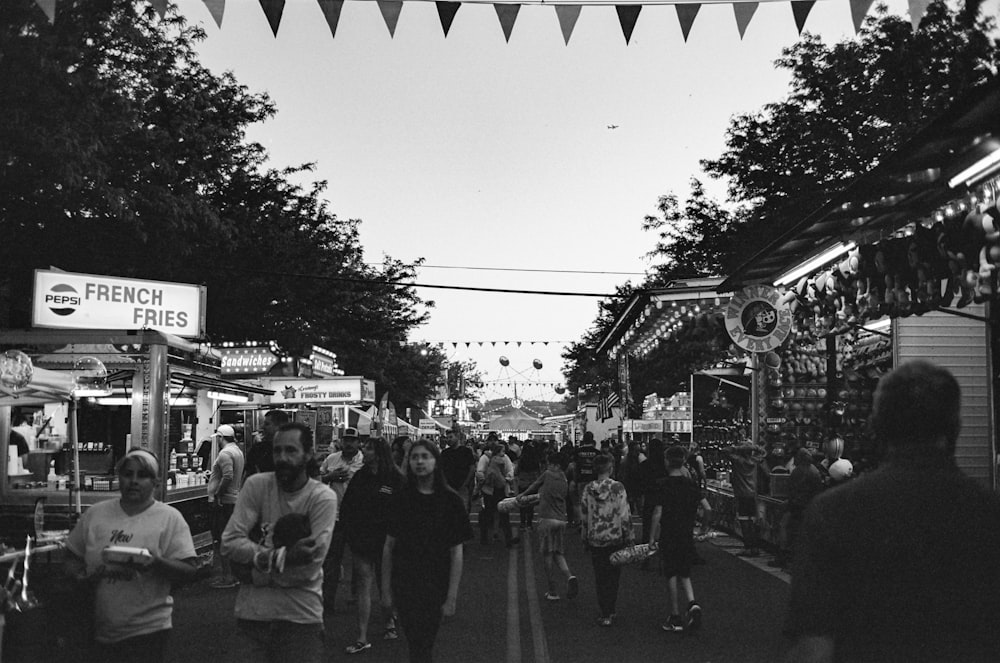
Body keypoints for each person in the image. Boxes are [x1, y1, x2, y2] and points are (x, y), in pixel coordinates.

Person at [785, 361, 1000, 663]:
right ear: (956, 427)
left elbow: (813, 647)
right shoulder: (988, 512)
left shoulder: (833, 512)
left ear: (876, 426)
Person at [65, 448, 197, 663]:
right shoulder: (96, 514)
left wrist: (156, 562)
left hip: (148, 630)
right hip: (97, 627)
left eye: (142, 475)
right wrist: (81, 577)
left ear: (155, 482)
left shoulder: (169, 518)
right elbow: (72, 556)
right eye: (128, 474)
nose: (134, 481)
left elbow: (190, 569)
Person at [221, 422, 338, 663]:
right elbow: (229, 543)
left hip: (300, 618)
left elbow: (309, 567)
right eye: (277, 451)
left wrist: (251, 573)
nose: (282, 458)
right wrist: (282, 558)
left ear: (308, 454)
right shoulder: (256, 486)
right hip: (252, 617)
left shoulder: (322, 497)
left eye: (291, 450)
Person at [382, 439, 473, 663]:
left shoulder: (450, 500)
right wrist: (385, 591)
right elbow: (388, 546)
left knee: (424, 643)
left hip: (436, 583)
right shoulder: (401, 498)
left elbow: (456, 552)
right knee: (415, 642)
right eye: (414, 457)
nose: (420, 462)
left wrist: (451, 596)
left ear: (436, 461)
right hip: (405, 583)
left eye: (425, 456)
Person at [340, 436, 404, 655]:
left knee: (386, 588)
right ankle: (362, 635)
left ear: (378, 453)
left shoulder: (395, 478)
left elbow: (403, 509)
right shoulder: (360, 476)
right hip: (362, 539)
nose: (363, 451)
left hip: (387, 541)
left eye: (368, 449)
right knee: (364, 586)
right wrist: (351, 533)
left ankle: (389, 620)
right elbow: (348, 506)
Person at [648, 445, 703, 634]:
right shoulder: (690, 484)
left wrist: (652, 537)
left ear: (666, 462)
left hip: (669, 533)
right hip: (686, 533)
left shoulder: (662, 484)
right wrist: (703, 529)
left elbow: (657, 512)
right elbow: (708, 507)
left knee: (671, 572)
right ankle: (692, 603)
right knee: (685, 572)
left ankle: (675, 616)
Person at [580, 453, 634, 627]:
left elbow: (584, 514)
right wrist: (629, 535)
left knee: (600, 575)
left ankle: (604, 611)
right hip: (614, 536)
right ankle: (611, 608)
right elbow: (624, 513)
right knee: (613, 575)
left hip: (595, 537)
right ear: (610, 468)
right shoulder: (618, 488)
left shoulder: (588, 488)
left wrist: (584, 535)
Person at [518, 450, 577, 601]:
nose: (548, 466)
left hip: (547, 519)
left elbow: (535, 485)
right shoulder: (564, 478)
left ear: (556, 465)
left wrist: (522, 495)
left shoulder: (548, 474)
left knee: (547, 555)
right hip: (560, 519)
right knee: (558, 552)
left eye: (550, 464)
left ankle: (552, 589)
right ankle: (569, 576)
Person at [319, 427, 365, 612]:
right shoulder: (331, 459)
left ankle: (356, 596)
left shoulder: (363, 461)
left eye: (352, 440)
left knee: (358, 560)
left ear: (358, 442)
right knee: (332, 560)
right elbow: (318, 479)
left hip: (356, 518)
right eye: (346, 440)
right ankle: (328, 600)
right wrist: (329, 477)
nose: (348, 443)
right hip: (335, 517)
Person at [207, 424, 245, 589]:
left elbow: (228, 476)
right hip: (234, 498)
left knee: (221, 538)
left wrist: (217, 494)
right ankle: (233, 575)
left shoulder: (225, 453)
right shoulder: (237, 451)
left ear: (221, 438)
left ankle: (227, 576)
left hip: (225, 501)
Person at [724, 441, 767, 556]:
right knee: (752, 521)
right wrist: (752, 447)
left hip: (742, 494)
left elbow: (726, 450)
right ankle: (755, 547)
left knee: (744, 521)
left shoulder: (738, 461)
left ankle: (748, 547)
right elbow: (763, 452)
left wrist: (739, 448)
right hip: (752, 493)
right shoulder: (754, 461)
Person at [477, 442, 518, 547]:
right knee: (504, 515)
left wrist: (484, 482)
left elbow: (480, 472)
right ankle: (508, 539)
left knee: (488, 514)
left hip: (489, 490)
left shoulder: (485, 458)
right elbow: (510, 471)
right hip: (500, 490)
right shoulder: (504, 459)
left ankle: (484, 538)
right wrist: (507, 480)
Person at [245, 410, 289, 477]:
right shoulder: (258, 450)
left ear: (280, 426)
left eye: (267, 424)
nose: (263, 427)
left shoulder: (293, 450)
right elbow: (247, 474)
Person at [441, 434, 477, 513]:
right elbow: (441, 470)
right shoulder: (444, 453)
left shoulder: (466, 451)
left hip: (463, 487)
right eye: (447, 437)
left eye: (451, 437)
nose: (448, 439)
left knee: (463, 510)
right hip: (448, 487)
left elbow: (472, 468)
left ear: (457, 437)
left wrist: (466, 483)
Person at [571, 431, 599, 526]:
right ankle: (592, 522)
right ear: (592, 439)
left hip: (581, 479)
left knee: (581, 502)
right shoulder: (597, 452)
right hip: (594, 481)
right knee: (593, 502)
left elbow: (574, 467)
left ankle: (581, 523)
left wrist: (575, 480)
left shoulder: (578, 452)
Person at [515, 439, 542, 530]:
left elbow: (516, 471)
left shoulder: (521, 459)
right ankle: (529, 524)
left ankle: (522, 523)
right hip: (533, 484)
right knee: (531, 505)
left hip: (523, 483)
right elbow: (539, 472)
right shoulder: (535, 460)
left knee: (522, 504)